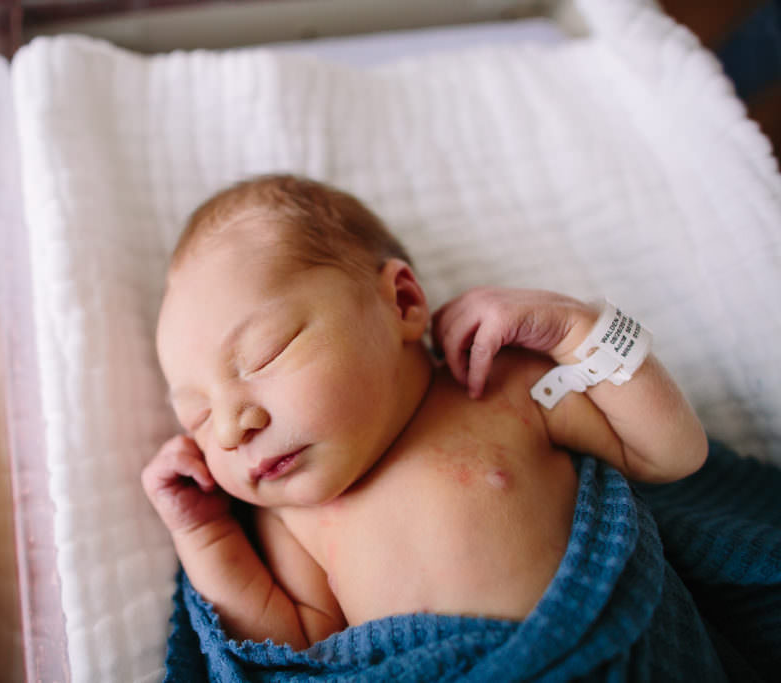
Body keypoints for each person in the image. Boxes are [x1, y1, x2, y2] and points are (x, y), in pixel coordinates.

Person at [142, 174, 708, 650]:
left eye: (266, 353)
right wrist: (205, 533)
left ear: (403, 303)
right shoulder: (293, 515)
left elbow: (671, 453)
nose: (228, 428)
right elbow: (297, 646)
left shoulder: (501, 390)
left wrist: (575, 326)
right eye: (196, 417)